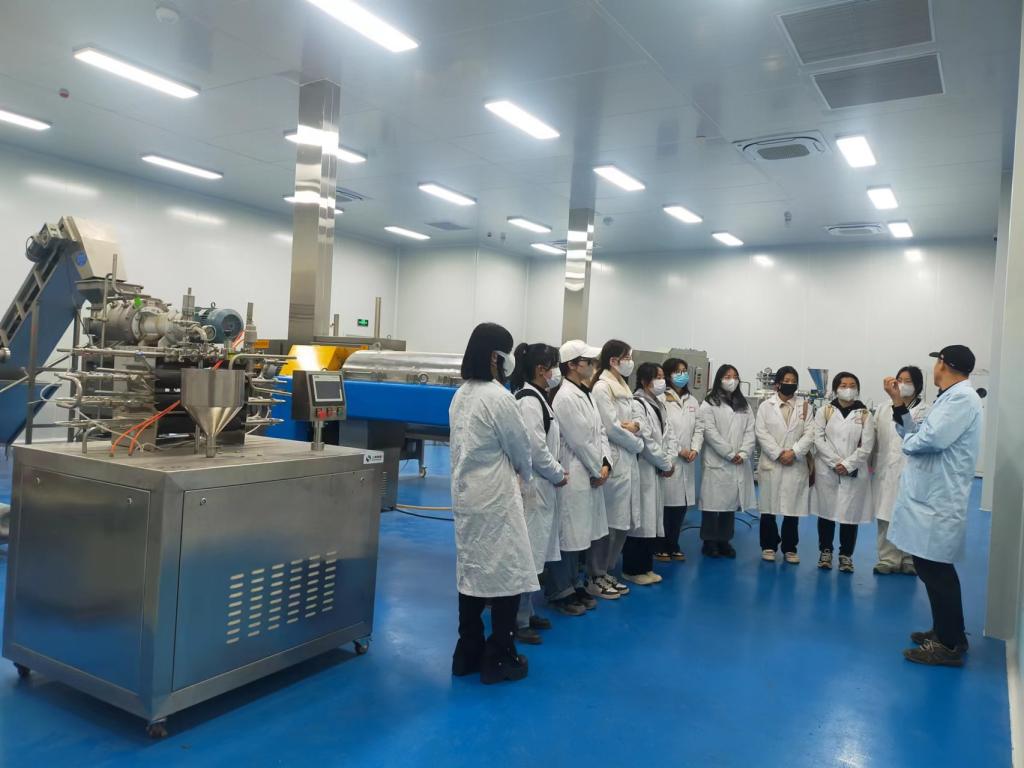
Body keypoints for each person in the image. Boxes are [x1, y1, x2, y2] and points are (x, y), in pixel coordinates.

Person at [884, 345, 982, 667]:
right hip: (929, 495)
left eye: (936, 362)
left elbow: (929, 440)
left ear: (943, 364)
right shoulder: (949, 397)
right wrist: (898, 404)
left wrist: (910, 442)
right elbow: (914, 431)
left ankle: (949, 645)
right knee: (930, 567)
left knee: (936, 570)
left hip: (939, 497)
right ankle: (947, 632)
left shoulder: (962, 399)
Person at [449, 322, 536, 684]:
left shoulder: (461, 395)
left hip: (467, 497)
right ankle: (499, 656)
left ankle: (467, 653)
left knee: (471, 576)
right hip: (496, 499)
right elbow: (520, 448)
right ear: (494, 357)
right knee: (506, 576)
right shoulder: (499, 398)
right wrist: (527, 475)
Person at [510, 343, 568, 645]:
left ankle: (527, 610)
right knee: (527, 556)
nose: (557, 371)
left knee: (535, 555)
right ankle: (517, 620)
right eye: (554, 365)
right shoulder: (529, 401)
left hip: (542, 488)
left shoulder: (539, 398)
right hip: (534, 487)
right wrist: (558, 473)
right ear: (540, 369)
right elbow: (535, 449)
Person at [547, 340, 611, 616]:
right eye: (588, 361)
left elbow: (601, 433)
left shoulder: (585, 393)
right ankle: (559, 590)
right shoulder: (565, 397)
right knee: (568, 536)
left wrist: (606, 464)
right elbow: (580, 441)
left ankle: (573, 583)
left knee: (580, 535)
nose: (593, 365)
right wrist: (598, 469)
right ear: (572, 365)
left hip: (591, 473)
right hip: (575, 474)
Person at [588, 340, 642, 598]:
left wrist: (635, 428)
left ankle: (606, 570)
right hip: (614, 458)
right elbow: (611, 428)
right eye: (627, 357)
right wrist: (637, 442)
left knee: (621, 523)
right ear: (613, 360)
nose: (630, 362)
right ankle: (595, 574)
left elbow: (636, 422)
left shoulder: (623, 387)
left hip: (626, 459)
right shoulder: (602, 387)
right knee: (606, 524)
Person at [812, 372, 876, 574]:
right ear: (835, 389)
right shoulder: (825, 411)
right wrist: (834, 463)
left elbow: (867, 446)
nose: (848, 389)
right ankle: (825, 551)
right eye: (843, 385)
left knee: (850, 514)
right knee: (826, 512)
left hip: (853, 471)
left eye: (852, 385)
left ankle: (846, 555)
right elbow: (818, 439)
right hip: (827, 470)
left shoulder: (865, 415)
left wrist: (848, 465)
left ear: (857, 389)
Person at [872, 365, 929, 576]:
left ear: (918, 385)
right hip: (886, 468)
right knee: (886, 514)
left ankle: (909, 559)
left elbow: (912, 432)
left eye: (908, 381)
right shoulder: (883, 408)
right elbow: (873, 437)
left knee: (910, 516)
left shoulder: (926, 410)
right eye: (899, 380)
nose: (902, 384)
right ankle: (888, 558)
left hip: (913, 470)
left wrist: (898, 402)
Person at [754, 366, 814, 564]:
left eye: (793, 380)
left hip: (795, 463)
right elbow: (761, 433)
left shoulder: (805, 407)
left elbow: (810, 433)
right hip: (772, 462)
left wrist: (794, 452)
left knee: (792, 510)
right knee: (768, 508)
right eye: (786, 380)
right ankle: (768, 545)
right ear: (777, 384)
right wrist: (779, 453)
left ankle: (790, 548)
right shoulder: (765, 406)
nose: (790, 384)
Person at [623, 363, 675, 585]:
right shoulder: (637, 404)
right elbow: (645, 439)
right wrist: (664, 462)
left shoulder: (659, 404)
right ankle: (632, 569)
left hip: (657, 468)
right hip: (644, 467)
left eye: (663, 376)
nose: (662, 381)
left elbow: (669, 435)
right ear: (645, 381)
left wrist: (669, 460)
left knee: (651, 520)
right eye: (658, 377)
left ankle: (646, 566)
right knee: (640, 521)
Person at [698, 364, 755, 558]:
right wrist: (730, 453)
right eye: (727, 376)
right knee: (712, 504)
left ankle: (724, 540)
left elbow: (750, 431)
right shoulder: (709, 403)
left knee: (729, 505)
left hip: (739, 460)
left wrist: (744, 452)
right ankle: (709, 541)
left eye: (735, 376)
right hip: (718, 460)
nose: (732, 380)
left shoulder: (743, 405)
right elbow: (710, 432)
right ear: (719, 379)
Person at [656, 358, 704, 562]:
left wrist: (695, 448)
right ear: (667, 375)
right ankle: (660, 546)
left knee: (680, 507)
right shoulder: (661, 399)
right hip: (670, 458)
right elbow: (663, 430)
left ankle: (674, 544)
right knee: (665, 506)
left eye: (684, 371)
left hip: (688, 461)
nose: (682, 375)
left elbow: (699, 427)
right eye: (677, 371)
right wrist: (679, 450)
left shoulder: (692, 401)